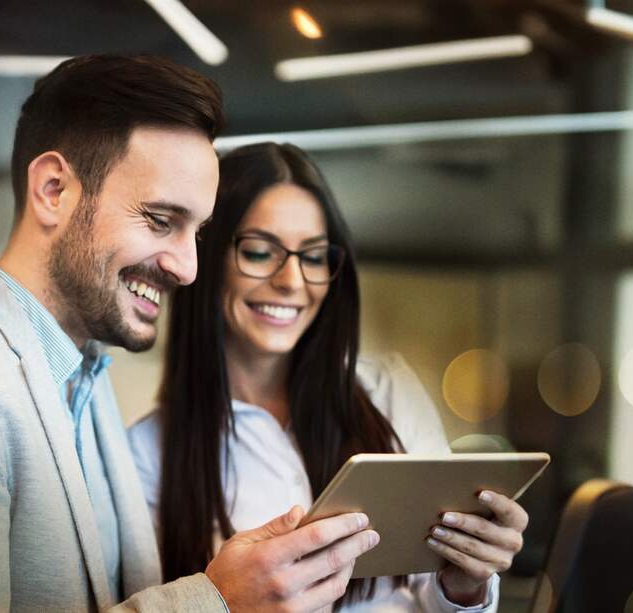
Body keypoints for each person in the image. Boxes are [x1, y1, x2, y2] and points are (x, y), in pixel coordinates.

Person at [0, 56, 380, 612]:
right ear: (52, 189)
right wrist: (217, 603)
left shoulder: (77, 375)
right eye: (161, 221)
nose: (188, 267)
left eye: (198, 231)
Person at [128, 142, 530, 612]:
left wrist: (466, 583)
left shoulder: (387, 392)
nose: (292, 281)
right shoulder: (146, 453)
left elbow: (432, 595)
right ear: (205, 257)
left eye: (314, 257)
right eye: (259, 252)